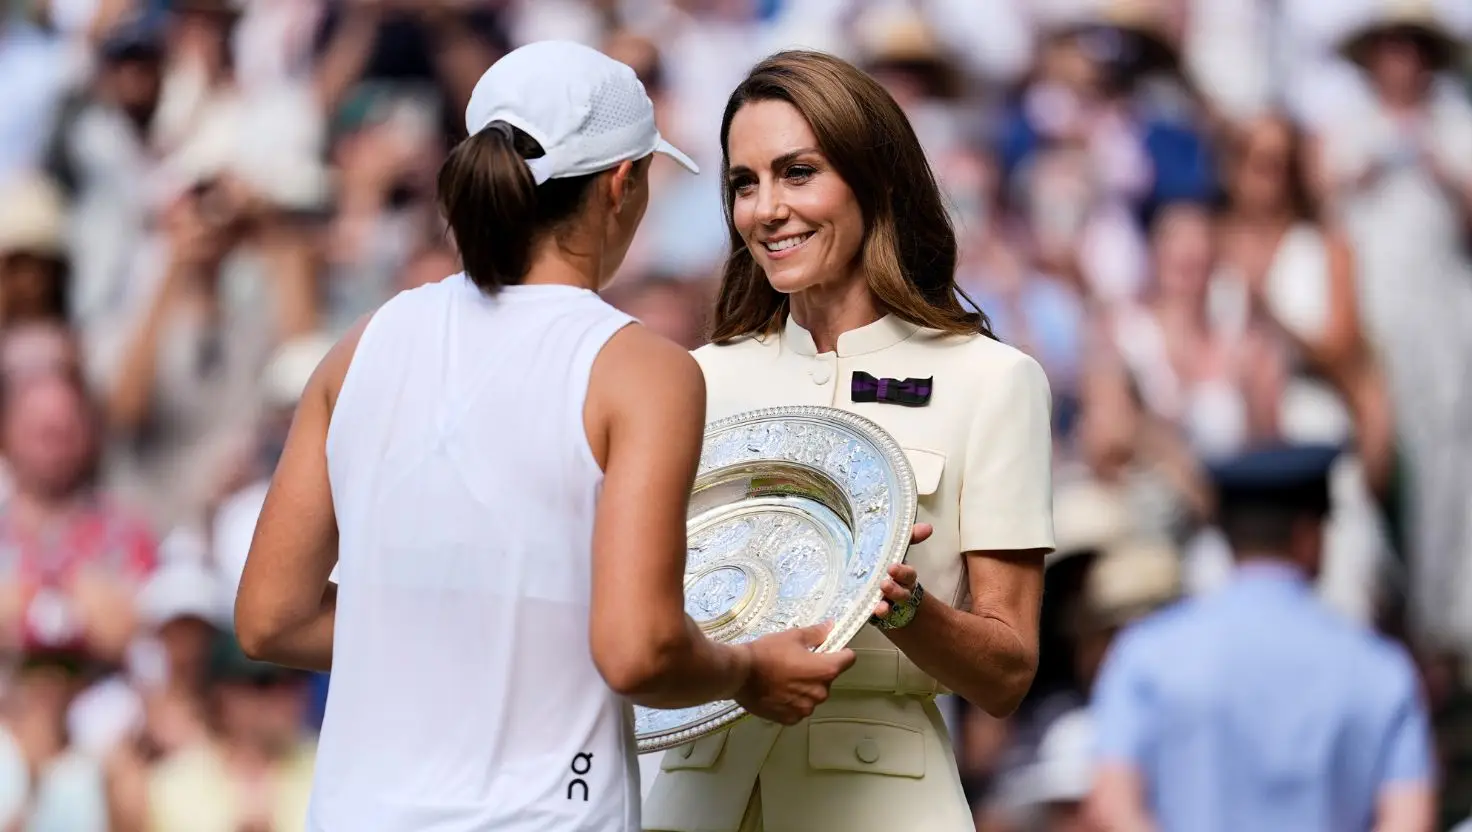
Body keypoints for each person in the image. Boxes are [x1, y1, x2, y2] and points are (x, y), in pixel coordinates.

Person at [232, 41, 856, 832]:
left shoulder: (361, 346)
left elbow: (271, 618)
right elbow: (639, 650)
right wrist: (748, 672)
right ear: (622, 185)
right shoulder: (641, 372)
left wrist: (475, 628)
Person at [642, 50, 1056, 832]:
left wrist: (903, 608)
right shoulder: (692, 379)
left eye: (798, 173)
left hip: (884, 802)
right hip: (690, 799)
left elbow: (1006, 675)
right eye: (744, 183)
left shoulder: (993, 381)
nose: (767, 209)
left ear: (877, 182)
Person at [1087, 443, 1436, 832]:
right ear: (1309, 535)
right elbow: (1408, 818)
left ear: (1225, 534)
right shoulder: (1380, 668)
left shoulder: (1145, 655)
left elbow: (1113, 805)